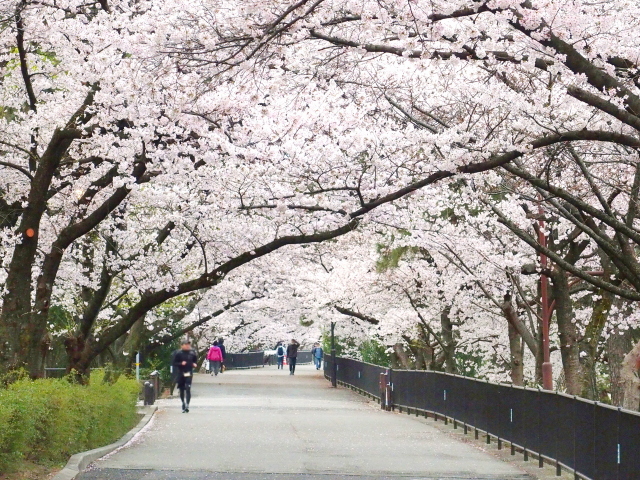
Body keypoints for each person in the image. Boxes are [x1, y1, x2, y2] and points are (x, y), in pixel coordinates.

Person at [172, 339, 198, 413]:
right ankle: (183, 402)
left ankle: (187, 405)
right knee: (181, 389)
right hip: (181, 372)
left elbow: (195, 360)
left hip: (189, 372)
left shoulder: (192, 353)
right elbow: (174, 363)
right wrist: (181, 363)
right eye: (186, 344)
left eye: (188, 345)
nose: (187, 346)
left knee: (188, 387)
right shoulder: (178, 353)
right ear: (182, 345)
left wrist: (194, 364)